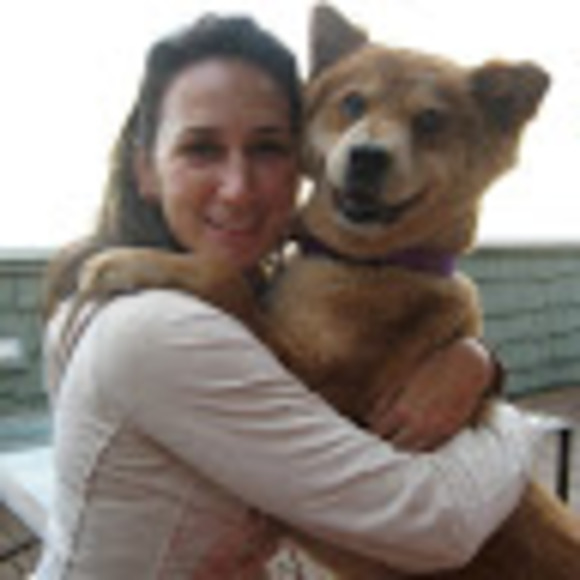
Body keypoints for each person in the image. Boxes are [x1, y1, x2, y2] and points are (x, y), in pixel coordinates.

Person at [36, 13, 538, 579]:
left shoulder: (139, 283)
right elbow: (433, 522)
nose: (238, 187)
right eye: (201, 149)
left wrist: (476, 364)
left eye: (267, 148)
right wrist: (508, 415)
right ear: (145, 170)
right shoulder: (152, 327)